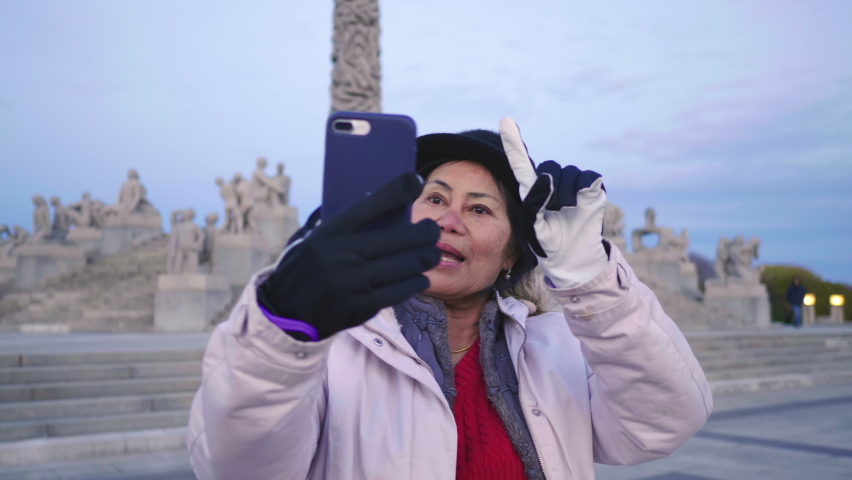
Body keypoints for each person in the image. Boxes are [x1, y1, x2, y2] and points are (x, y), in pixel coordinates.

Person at [187, 118, 712, 480]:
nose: (448, 219)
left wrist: (592, 280)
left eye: (480, 210)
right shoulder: (328, 352)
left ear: (512, 256)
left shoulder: (558, 351)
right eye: (434, 198)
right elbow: (236, 467)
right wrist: (282, 333)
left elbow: (664, 421)